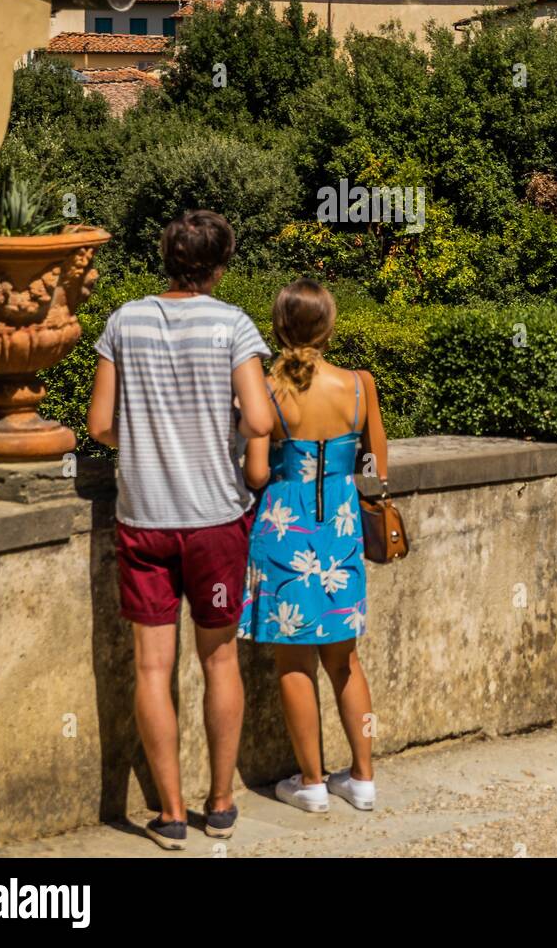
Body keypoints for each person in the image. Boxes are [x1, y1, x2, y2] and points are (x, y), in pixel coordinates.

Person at [87, 210, 272, 851]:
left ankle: (168, 812)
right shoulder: (233, 325)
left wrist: (147, 438)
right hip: (215, 519)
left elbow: (100, 424)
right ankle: (218, 802)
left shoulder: (124, 321)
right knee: (220, 661)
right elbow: (258, 416)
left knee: (150, 668)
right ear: (220, 267)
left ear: (166, 258)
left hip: (143, 518)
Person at [238, 278, 388, 814]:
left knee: (293, 660)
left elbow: (256, 474)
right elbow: (376, 465)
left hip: (285, 531)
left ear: (279, 327)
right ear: (329, 325)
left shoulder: (267, 389)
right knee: (345, 660)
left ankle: (311, 782)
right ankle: (364, 778)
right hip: (342, 525)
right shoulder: (358, 385)